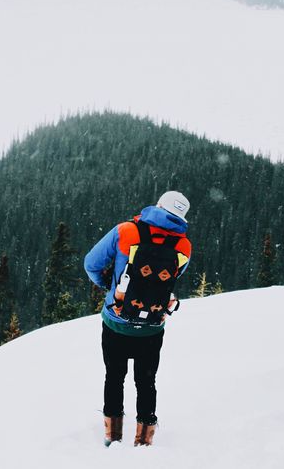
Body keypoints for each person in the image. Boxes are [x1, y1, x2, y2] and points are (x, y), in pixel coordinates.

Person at [84, 190, 192, 447]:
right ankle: (144, 440)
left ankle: (113, 436)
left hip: (117, 321)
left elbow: (91, 264)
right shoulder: (184, 246)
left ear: (157, 206)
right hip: (152, 327)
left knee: (114, 376)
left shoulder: (125, 231)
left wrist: (109, 288)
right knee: (146, 381)